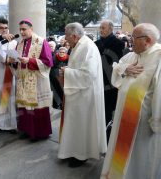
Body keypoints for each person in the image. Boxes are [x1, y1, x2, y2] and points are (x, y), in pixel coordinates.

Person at [101, 23, 161, 179]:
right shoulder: (134, 54)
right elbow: (117, 66)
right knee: (121, 152)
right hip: (123, 114)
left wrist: (156, 121)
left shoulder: (158, 57)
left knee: (138, 159)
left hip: (143, 123)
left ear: (147, 40)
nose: (130, 40)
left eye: (134, 37)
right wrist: (125, 69)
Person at [58, 22, 107, 168]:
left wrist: (67, 72)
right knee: (75, 124)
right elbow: (80, 68)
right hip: (78, 92)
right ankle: (72, 151)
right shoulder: (79, 45)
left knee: (82, 125)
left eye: (67, 36)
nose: (65, 39)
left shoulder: (87, 47)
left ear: (74, 35)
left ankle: (81, 155)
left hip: (85, 94)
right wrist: (69, 69)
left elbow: (88, 74)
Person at [10, 18, 53, 141]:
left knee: (37, 107)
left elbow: (48, 62)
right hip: (23, 79)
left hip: (37, 80)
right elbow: (18, 62)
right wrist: (13, 61)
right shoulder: (20, 43)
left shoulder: (41, 42)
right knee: (24, 105)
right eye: (20, 29)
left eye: (24, 29)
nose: (22, 32)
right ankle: (26, 130)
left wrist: (30, 60)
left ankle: (39, 133)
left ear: (31, 29)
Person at [95, 20, 125, 142]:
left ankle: (107, 138)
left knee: (108, 110)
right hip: (97, 80)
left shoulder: (118, 43)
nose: (101, 30)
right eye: (100, 27)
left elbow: (118, 63)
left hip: (110, 82)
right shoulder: (95, 43)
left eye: (103, 27)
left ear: (111, 29)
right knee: (98, 109)